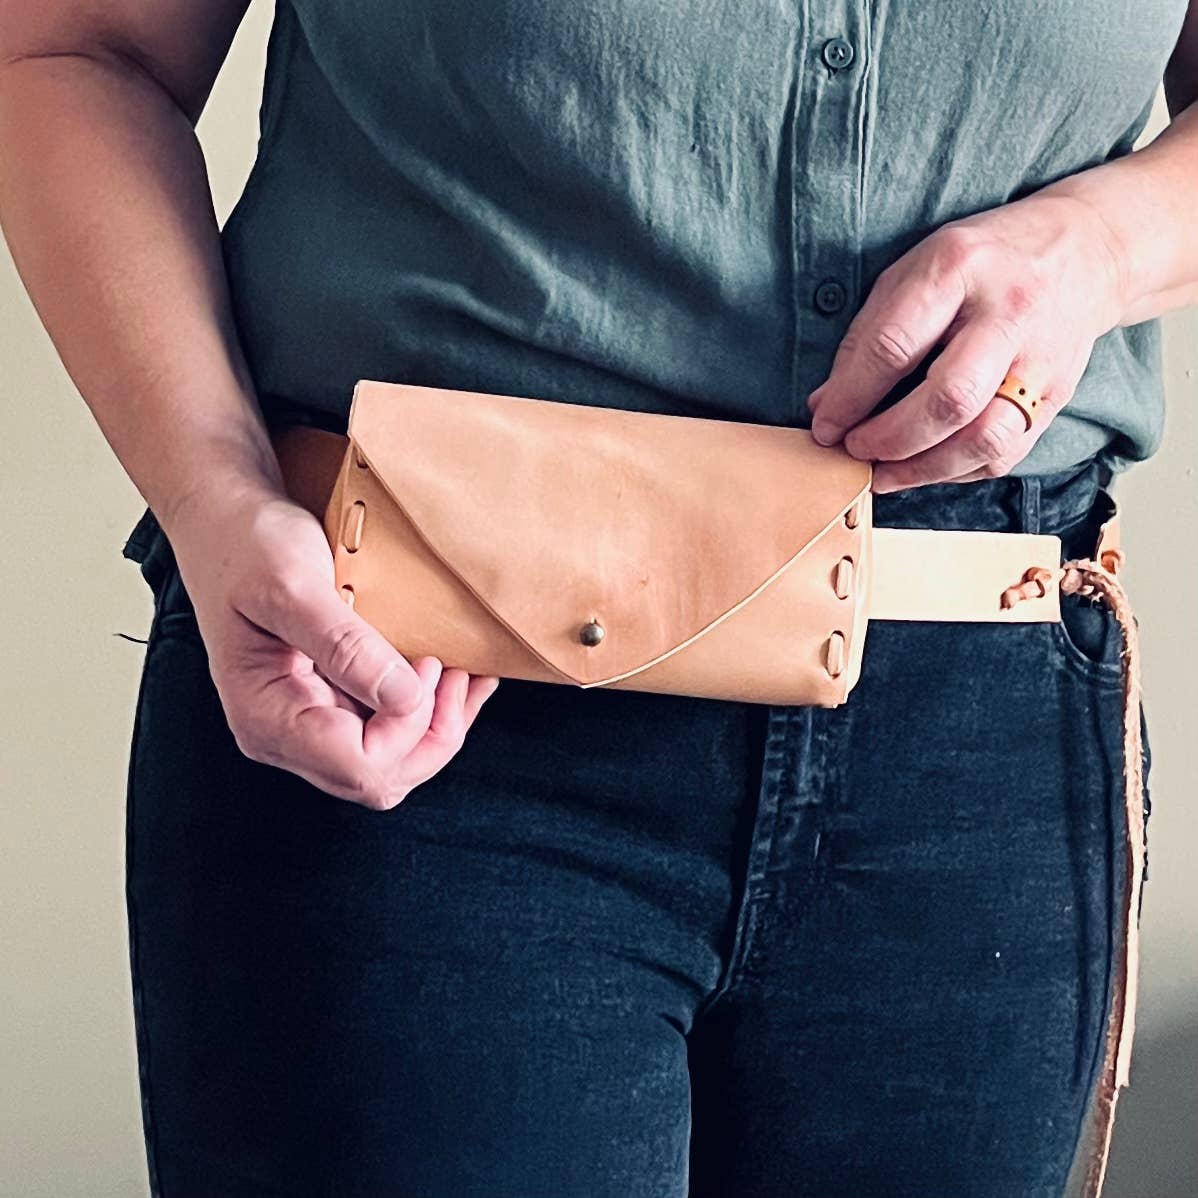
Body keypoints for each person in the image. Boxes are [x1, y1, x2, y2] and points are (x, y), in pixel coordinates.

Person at [1, 3, 1195, 1195]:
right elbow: (75, 51)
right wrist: (213, 494)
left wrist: (1096, 248)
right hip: (406, 698)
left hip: (979, 745)